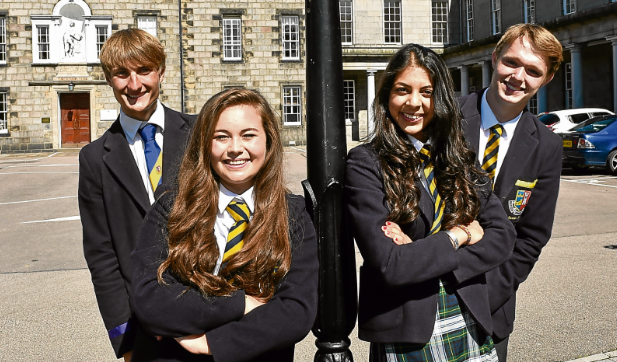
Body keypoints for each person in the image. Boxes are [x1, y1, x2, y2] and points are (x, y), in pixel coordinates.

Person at [344, 43, 516, 361]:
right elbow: (391, 264)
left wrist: (421, 256)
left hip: (468, 315)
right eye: (402, 90)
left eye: (426, 92)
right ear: (386, 97)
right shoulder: (365, 163)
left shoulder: (458, 156)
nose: (414, 103)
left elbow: (503, 236)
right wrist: (458, 236)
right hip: (406, 328)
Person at [129, 88, 319, 362]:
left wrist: (211, 343)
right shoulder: (172, 207)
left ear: (268, 141)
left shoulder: (292, 214)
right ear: (204, 143)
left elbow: (295, 310)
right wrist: (240, 304)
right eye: (221, 137)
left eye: (248, 135)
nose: (235, 148)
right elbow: (148, 299)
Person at [78, 28, 195, 361]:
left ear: (161, 71)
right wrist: (125, 341)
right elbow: (101, 256)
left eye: (144, 70)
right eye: (121, 74)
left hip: (210, 316)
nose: (134, 84)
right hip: (145, 330)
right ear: (108, 79)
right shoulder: (94, 159)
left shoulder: (200, 133)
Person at [458, 23, 563, 361]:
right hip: (416, 301)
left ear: (545, 80)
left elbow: (531, 236)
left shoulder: (546, 145)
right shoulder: (445, 119)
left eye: (533, 70)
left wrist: (489, 293)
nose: (518, 76)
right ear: (494, 58)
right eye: (512, 62)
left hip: (490, 309)